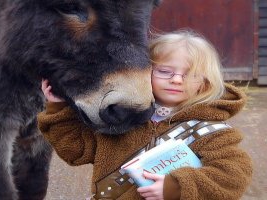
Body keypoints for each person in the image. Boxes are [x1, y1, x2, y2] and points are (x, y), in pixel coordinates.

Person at [37, 30, 253, 200]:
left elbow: (234, 175)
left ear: (204, 84)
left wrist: (177, 187)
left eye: (189, 75)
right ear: (143, 71)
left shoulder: (211, 132)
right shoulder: (121, 118)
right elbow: (75, 150)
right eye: (165, 71)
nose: (176, 80)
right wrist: (59, 108)